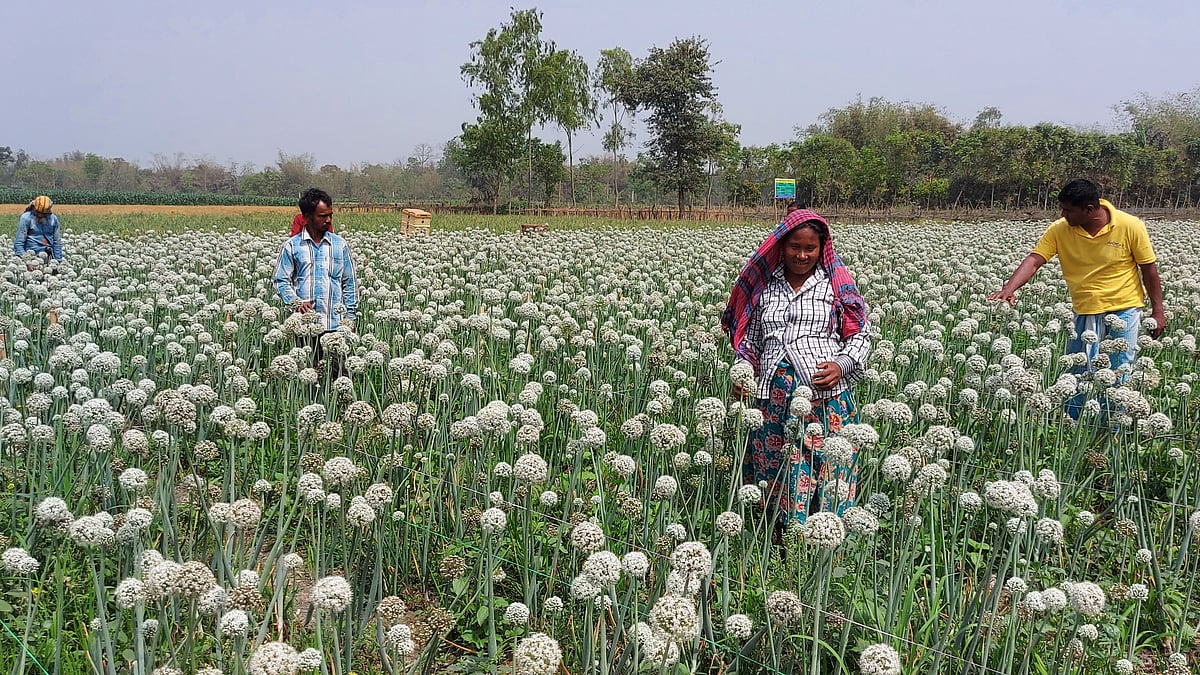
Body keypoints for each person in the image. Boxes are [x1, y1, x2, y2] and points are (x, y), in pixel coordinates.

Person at [722, 208, 872, 527]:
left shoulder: (833, 286)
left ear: (821, 249)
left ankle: (826, 539)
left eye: (810, 248)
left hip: (825, 399)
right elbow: (751, 340)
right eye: (795, 247)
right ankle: (779, 541)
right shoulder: (767, 286)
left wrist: (841, 365)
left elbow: (860, 333)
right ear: (782, 246)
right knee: (775, 470)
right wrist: (743, 370)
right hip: (771, 402)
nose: (802, 255)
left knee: (827, 470)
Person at [989, 178, 1165, 418]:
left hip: (1124, 308)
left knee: (1118, 371)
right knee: (1077, 371)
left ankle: (1110, 428)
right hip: (1084, 308)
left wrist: (1158, 311)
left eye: (1068, 210)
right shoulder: (1060, 229)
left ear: (1089, 210)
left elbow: (1149, 270)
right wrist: (1009, 288)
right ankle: (1070, 426)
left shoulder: (1130, 225)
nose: (1063, 215)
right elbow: (1034, 260)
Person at [274, 188, 358, 375]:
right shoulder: (291, 246)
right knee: (309, 381)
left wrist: (350, 319)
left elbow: (350, 283)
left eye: (330, 215)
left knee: (338, 381)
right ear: (307, 217)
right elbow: (280, 280)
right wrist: (296, 303)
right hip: (306, 328)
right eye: (322, 216)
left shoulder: (340, 245)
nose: (328, 220)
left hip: (335, 326)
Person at [14, 195, 64, 267]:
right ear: (33, 208)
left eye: (44, 214)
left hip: (49, 257)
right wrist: (27, 262)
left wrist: (58, 261)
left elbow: (57, 242)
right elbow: (19, 243)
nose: (40, 215)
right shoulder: (26, 218)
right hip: (31, 258)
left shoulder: (53, 219)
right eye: (37, 212)